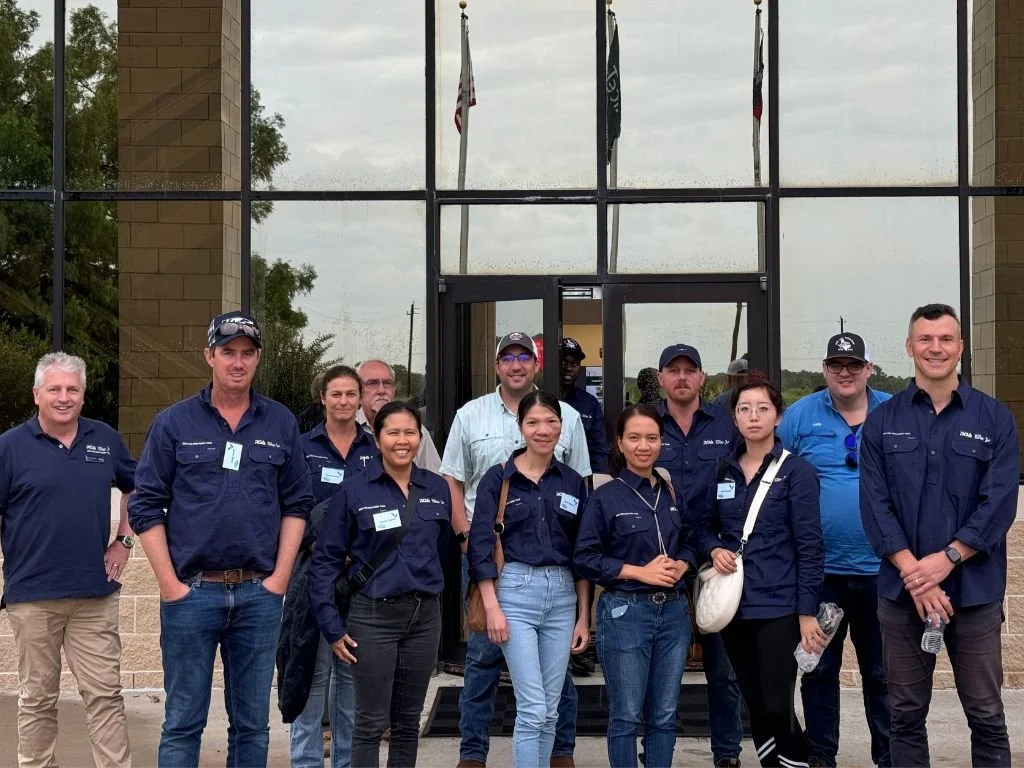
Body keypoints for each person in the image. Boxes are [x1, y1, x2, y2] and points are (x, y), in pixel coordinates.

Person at [129, 311, 315, 768]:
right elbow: (144, 506)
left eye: (247, 353)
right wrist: (170, 585)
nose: (237, 362)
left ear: (257, 360)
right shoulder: (173, 423)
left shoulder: (280, 422)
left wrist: (280, 579)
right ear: (208, 355)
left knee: (252, 725)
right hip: (192, 593)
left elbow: (297, 503)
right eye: (228, 352)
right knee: (182, 723)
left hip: (258, 594)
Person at [860, 303, 1019, 768]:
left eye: (946, 339)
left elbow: (999, 503)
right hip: (901, 594)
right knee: (905, 715)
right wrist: (916, 572)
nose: (936, 348)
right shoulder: (882, 421)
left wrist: (946, 559)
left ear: (961, 348)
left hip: (974, 595)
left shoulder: (995, 419)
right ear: (909, 347)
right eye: (925, 340)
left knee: (987, 714)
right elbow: (875, 506)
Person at [441, 330, 592, 768]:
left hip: (560, 588)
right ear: (497, 365)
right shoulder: (472, 418)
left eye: (524, 356)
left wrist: (584, 612)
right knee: (483, 664)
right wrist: (469, 540)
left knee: (551, 688)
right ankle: (473, 753)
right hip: (499, 570)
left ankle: (560, 753)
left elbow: (581, 518)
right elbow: (453, 478)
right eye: (507, 356)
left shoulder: (569, 440)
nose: (516, 364)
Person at [0, 352, 135, 768]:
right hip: (33, 597)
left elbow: (137, 489)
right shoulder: (9, 447)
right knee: (38, 699)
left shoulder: (105, 439)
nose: (64, 397)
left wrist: (123, 541)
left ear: (83, 394)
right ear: (37, 394)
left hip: (94, 595)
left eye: (72, 389)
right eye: (54, 389)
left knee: (105, 697)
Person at [308, 401, 452, 768]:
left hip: (424, 618)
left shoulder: (436, 486)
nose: (402, 440)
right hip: (373, 618)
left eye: (410, 432)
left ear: (420, 439)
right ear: (378, 439)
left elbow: (441, 549)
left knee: (407, 723)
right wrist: (331, 625)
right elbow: (324, 562)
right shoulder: (354, 491)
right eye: (393, 432)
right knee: (369, 722)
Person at [778, 333, 892, 768]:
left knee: (881, 675)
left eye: (853, 364)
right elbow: (775, 479)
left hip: (882, 570)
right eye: (835, 364)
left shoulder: (892, 411)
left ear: (868, 368)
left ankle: (889, 756)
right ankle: (822, 757)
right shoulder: (800, 416)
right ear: (824, 369)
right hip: (819, 573)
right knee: (819, 670)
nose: (844, 372)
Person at [699, 377, 825, 768]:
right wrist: (714, 547)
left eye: (763, 409)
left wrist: (807, 613)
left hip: (780, 605)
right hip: (735, 607)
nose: (753, 416)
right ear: (734, 418)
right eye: (744, 409)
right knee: (753, 700)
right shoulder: (722, 471)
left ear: (778, 417)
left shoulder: (797, 472)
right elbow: (701, 526)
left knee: (776, 702)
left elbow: (810, 546)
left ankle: (797, 762)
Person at [574, 403, 696, 768]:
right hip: (626, 612)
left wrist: (683, 563)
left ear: (661, 441)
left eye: (652, 437)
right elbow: (585, 558)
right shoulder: (605, 497)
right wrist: (638, 571)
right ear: (620, 443)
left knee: (664, 713)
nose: (644, 445)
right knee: (626, 715)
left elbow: (689, 538)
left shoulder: (671, 492)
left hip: (674, 613)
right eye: (635, 438)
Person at [653, 343, 744, 768]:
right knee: (662, 670)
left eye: (691, 370)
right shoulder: (646, 425)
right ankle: (657, 754)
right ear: (661, 378)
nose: (683, 377)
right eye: (674, 370)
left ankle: (726, 754)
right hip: (660, 560)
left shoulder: (728, 425)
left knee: (722, 668)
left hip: (716, 558)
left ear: (703, 378)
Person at [290, 365, 379, 768]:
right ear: (322, 398)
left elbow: (383, 507)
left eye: (350, 394)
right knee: (310, 675)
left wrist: (355, 550)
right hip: (312, 573)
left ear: (360, 400)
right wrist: (323, 547)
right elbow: (289, 504)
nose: (343, 401)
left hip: (359, 580)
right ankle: (306, 762)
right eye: (336, 394)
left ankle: (346, 762)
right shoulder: (301, 446)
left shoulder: (373, 450)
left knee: (350, 679)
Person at [356, 359, 442, 472]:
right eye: (372, 383)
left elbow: (433, 478)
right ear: (358, 390)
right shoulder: (349, 426)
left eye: (387, 383)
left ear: (394, 389)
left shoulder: (415, 429)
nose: (381, 390)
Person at [559, 338, 609, 473]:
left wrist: (598, 485)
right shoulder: (539, 400)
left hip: (580, 481)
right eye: (564, 362)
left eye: (574, 363)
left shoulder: (589, 403)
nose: (568, 368)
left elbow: (599, 450)